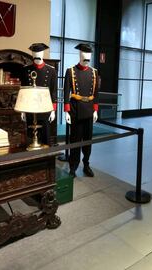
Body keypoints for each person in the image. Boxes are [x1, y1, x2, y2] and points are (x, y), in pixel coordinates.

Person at [64, 43, 100, 177]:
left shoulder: (94, 72)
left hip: (89, 110)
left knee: (88, 140)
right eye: (84, 55)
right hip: (75, 110)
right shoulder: (70, 71)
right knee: (75, 140)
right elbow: (67, 92)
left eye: (89, 56)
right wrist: (66, 111)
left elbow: (96, 94)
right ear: (80, 55)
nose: (87, 58)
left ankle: (86, 164)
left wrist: (95, 110)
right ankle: (73, 167)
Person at [21, 43, 57, 145]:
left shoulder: (51, 70)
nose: (37, 54)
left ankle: (46, 158)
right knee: (31, 136)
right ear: (32, 54)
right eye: (34, 52)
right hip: (30, 108)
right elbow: (23, 91)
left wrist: (53, 110)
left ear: (43, 53)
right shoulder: (26, 69)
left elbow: (53, 92)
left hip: (45, 108)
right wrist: (23, 110)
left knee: (45, 136)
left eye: (39, 52)